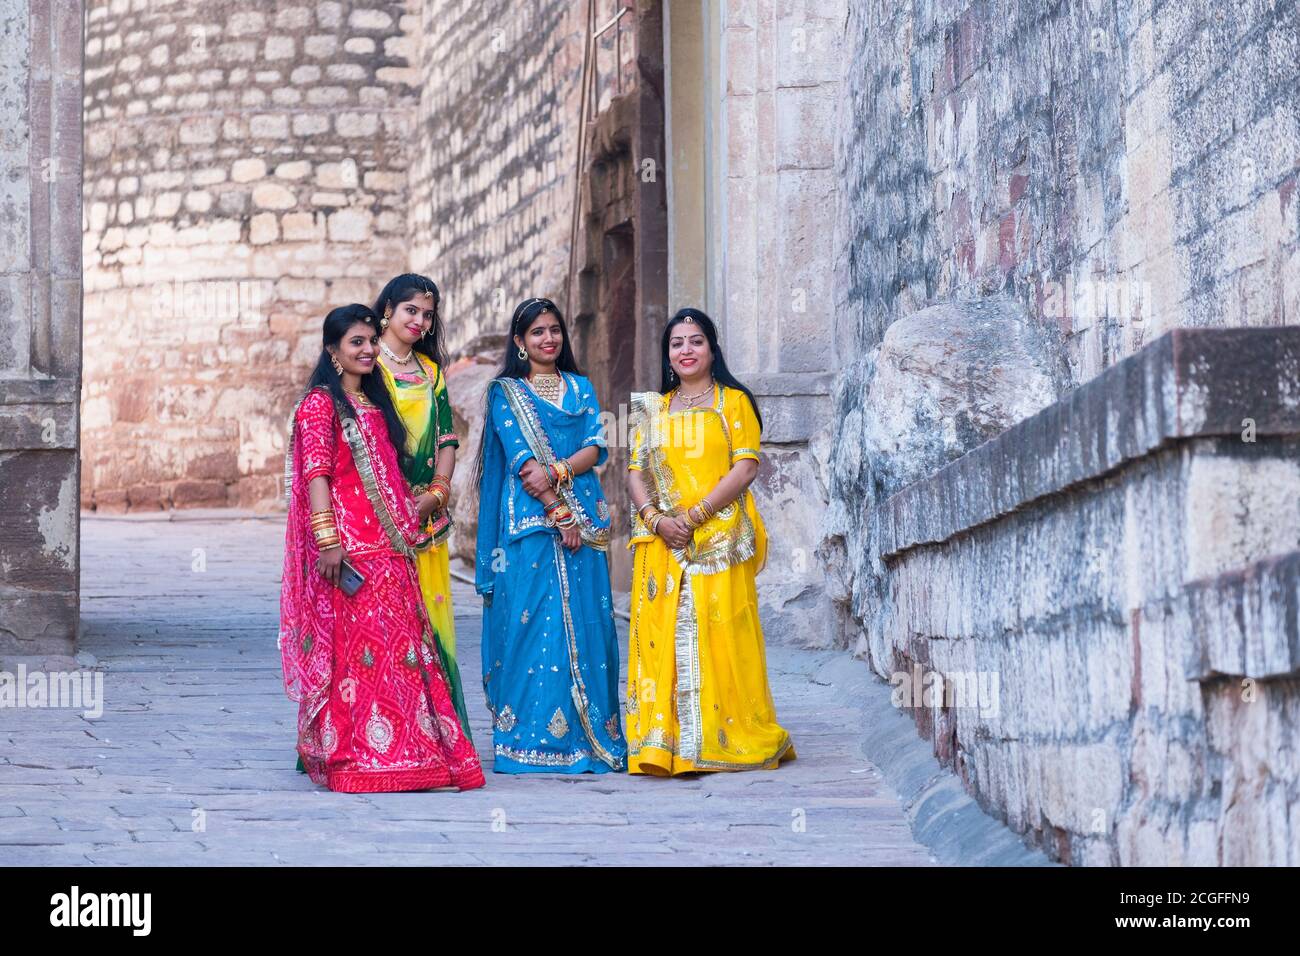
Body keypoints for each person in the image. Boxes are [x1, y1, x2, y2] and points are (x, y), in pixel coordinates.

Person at [278, 303, 484, 793]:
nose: (369, 350)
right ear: (333, 351)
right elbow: (317, 475)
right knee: (357, 657)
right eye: (357, 343)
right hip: (349, 549)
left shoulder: (375, 404)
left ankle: (412, 751)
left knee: (403, 654)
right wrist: (328, 541)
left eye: (372, 341)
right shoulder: (319, 407)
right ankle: (360, 755)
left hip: (392, 549)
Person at [624, 307, 795, 775]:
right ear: (668, 354)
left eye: (695, 341)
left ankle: (723, 736)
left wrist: (696, 515)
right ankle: (663, 743)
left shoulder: (733, 402)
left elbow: (745, 467)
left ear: (712, 348)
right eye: (676, 343)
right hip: (661, 540)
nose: (686, 350)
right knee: (661, 636)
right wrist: (656, 519)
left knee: (719, 632)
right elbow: (635, 473)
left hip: (717, 537)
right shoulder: (652, 409)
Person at [473, 297, 626, 773]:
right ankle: (526, 740)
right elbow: (521, 459)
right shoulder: (506, 393)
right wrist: (555, 510)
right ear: (520, 342)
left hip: (583, 517)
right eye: (537, 332)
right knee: (531, 623)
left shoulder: (580, 388)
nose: (548, 339)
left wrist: (558, 472)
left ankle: (588, 738)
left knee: (588, 623)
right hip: (530, 523)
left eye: (555, 330)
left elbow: (596, 447)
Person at [372, 273, 470, 739]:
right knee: (380, 625)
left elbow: (448, 439)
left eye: (428, 314)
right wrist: (391, 500)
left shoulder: (431, 372)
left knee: (429, 625)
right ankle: (381, 735)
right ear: (387, 310)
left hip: (426, 519)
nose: (420, 320)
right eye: (411, 310)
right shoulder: (367, 364)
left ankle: (434, 736)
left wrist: (436, 492)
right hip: (374, 518)